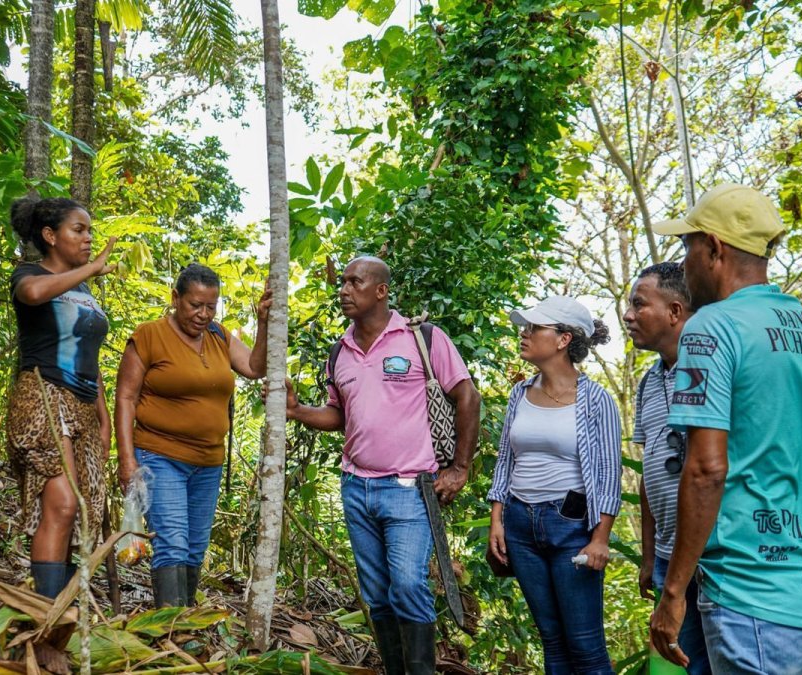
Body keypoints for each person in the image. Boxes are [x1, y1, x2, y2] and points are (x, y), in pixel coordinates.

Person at [648, 184, 802, 674]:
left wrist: (673, 592)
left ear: (714, 249)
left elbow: (705, 469)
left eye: (687, 248)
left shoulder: (711, 327)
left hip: (751, 593)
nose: (683, 266)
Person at [282, 256, 481, 675]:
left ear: (381, 290)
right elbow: (339, 415)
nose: (344, 290)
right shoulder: (340, 350)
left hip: (409, 487)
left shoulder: (423, 338)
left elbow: (467, 396)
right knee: (376, 593)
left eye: (355, 282)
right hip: (357, 487)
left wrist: (460, 468)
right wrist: (298, 411)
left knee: (407, 584)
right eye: (343, 283)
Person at [115, 264, 271, 607]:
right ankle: (170, 624)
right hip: (160, 455)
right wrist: (126, 459)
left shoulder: (218, 336)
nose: (203, 314)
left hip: (208, 463)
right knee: (172, 543)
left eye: (210, 306)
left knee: (195, 547)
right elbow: (125, 398)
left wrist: (263, 322)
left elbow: (254, 367)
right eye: (195, 305)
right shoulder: (149, 336)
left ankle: (183, 620)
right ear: (176, 298)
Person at [487, 296, 622, 675]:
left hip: (571, 527)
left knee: (585, 645)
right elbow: (506, 460)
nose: (524, 333)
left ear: (564, 339)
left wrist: (600, 539)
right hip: (519, 526)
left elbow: (609, 474)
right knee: (552, 641)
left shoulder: (596, 400)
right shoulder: (519, 394)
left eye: (534, 328)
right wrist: (497, 520)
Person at [6, 197, 115, 598]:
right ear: (50, 236)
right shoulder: (30, 273)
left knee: (81, 509)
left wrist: (103, 418)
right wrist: (91, 268)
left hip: (83, 405)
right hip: (45, 397)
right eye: (79, 230)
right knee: (63, 503)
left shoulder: (83, 289)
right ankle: (47, 610)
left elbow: (90, 355)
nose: (88, 238)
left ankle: (62, 607)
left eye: (90, 231)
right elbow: (33, 294)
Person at [623, 263, 710, 675]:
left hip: (711, 553)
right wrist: (648, 555)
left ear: (675, 311)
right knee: (684, 663)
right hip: (666, 555)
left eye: (639, 304)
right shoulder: (648, 382)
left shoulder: (710, 368)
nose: (628, 316)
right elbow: (650, 471)